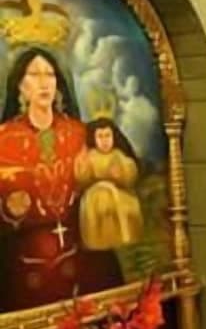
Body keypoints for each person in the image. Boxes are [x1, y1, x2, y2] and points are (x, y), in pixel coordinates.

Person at [0, 48, 123, 311]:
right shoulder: (4, 138)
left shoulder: (78, 133)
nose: (44, 82)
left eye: (50, 75)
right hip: (26, 262)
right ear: (20, 86)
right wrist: (10, 211)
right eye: (34, 75)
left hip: (81, 255)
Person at [74, 117, 144, 250]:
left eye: (107, 136)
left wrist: (121, 174)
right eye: (100, 136)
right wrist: (85, 168)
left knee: (127, 211)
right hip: (95, 199)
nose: (104, 141)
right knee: (101, 213)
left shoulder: (119, 155)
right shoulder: (90, 156)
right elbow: (82, 178)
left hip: (120, 195)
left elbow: (130, 172)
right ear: (94, 138)